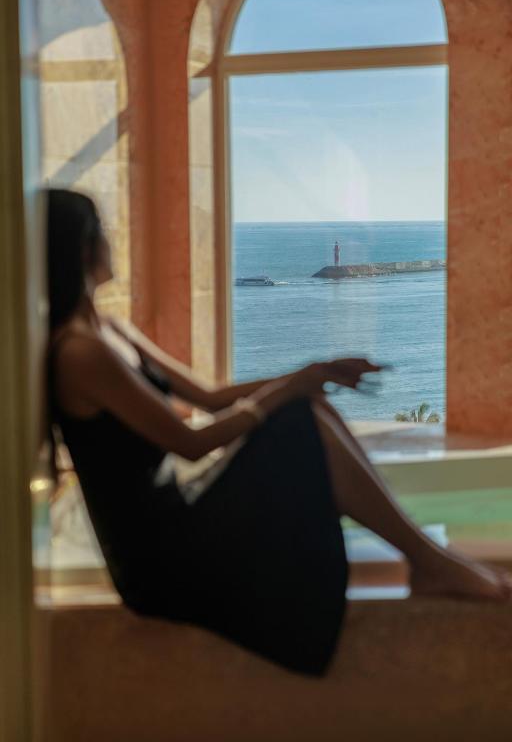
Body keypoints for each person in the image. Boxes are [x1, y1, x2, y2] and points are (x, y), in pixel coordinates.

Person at [47, 189, 511, 677]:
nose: (112, 240)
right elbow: (190, 442)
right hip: (161, 561)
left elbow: (209, 396)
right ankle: (428, 562)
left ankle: (427, 559)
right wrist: (290, 388)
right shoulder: (81, 354)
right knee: (299, 417)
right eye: (103, 231)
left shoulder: (110, 331)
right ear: (82, 248)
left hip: (181, 515)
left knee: (306, 406)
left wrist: (314, 373)